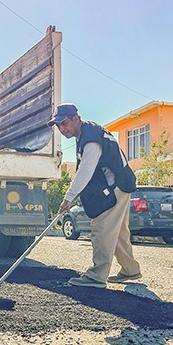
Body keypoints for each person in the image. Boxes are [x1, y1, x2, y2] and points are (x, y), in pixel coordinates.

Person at [52, 104, 141, 289]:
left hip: (115, 186)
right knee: (118, 232)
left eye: (65, 123)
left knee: (101, 228)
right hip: (120, 184)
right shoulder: (88, 131)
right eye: (59, 126)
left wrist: (68, 198)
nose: (62, 129)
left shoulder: (91, 139)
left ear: (76, 118)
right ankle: (130, 269)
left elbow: (84, 172)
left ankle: (96, 276)